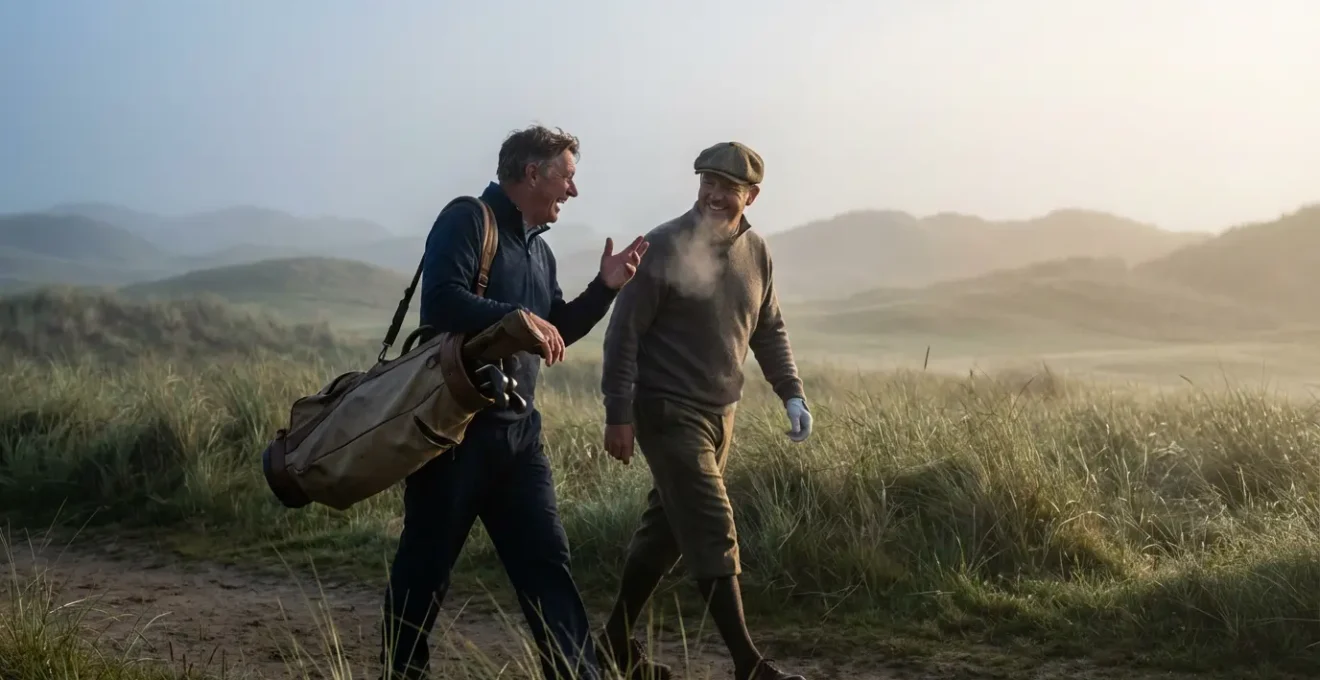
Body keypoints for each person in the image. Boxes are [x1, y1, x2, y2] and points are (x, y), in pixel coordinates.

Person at [380, 124, 650, 680]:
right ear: (533, 174)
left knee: (548, 567)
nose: (572, 192)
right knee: (423, 573)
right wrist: (513, 319)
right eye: (567, 177)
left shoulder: (541, 252)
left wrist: (605, 288)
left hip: (519, 440)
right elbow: (442, 300)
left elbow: (553, 331)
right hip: (453, 434)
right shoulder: (467, 220)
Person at [597, 141, 814, 680]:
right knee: (713, 525)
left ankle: (612, 645)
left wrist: (791, 392)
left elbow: (769, 327)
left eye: (728, 187)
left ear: (752, 195)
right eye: (706, 182)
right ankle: (749, 665)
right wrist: (618, 412)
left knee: (667, 530)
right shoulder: (664, 246)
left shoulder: (757, 252)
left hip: (722, 414)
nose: (714, 195)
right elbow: (623, 335)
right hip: (667, 410)